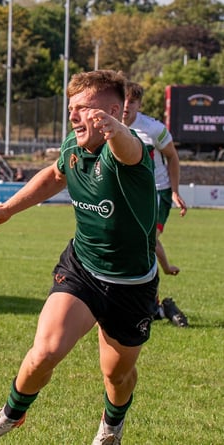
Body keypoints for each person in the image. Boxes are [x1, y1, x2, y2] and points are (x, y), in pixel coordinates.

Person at [0, 70, 158, 445]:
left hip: (131, 284)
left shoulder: (130, 153)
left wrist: (116, 130)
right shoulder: (73, 145)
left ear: (114, 112)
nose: (73, 116)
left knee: (116, 375)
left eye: (84, 109)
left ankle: (111, 428)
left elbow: (127, 147)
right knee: (45, 351)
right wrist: (6, 209)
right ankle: (8, 416)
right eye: (71, 108)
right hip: (82, 267)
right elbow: (54, 175)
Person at [123, 81, 188, 327]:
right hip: (130, 194)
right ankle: (156, 307)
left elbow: (172, 156)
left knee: (146, 241)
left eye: (133, 102)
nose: (127, 106)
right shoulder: (112, 127)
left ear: (140, 105)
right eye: (124, 100)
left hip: (157, 193)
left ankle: (153, 304)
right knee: (130, 245)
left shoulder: (153, 129)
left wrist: (175, 191)